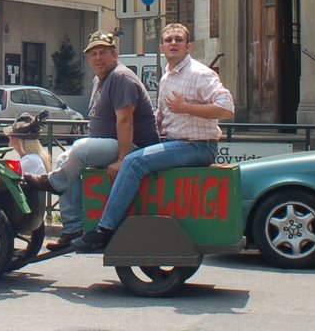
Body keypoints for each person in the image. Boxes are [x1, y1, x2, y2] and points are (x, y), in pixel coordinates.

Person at [74, 22, 235, 252]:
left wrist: (186, 107)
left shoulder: (200, 73)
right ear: (161, 47)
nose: (173, 44)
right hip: (173, 143)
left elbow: (227, 108)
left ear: (188, 46)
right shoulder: (167, 77)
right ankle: (82, 223)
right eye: (168, 40)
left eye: (178, 40)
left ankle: (105, 230)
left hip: (198, 146)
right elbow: (160, 117)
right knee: (132, 156)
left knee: (132, 162)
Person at [24, 30, 158, 244]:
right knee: (63, 159)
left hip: (134, 148)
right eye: (93, 54)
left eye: (103, 52)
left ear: (115, 55)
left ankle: (54, 182)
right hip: (110, 144)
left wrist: (123, 159)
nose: (98, 58)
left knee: (80, 149)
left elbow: (126, 121)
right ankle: (73, 228)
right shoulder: (100, 80)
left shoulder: (121, 77)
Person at [5, 111, 50, 177]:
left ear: (20, 140)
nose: (8, 136)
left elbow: (7, 178)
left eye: (12, 135)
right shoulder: (32, 158)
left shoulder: (30, 160)